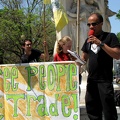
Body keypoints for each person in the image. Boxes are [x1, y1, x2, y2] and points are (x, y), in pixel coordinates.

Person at [81, 13, 120, 120]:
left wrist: (100, 43)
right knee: (92, 109)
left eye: (94, 24)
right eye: (89, 24)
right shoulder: (88, 40)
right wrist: (75, 59)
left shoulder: (110, 37)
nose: (91, 27)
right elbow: (83, 59)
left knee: (109, 111)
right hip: (92, 80)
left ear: (101, 24)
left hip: (104, 80)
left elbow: (117, 54)